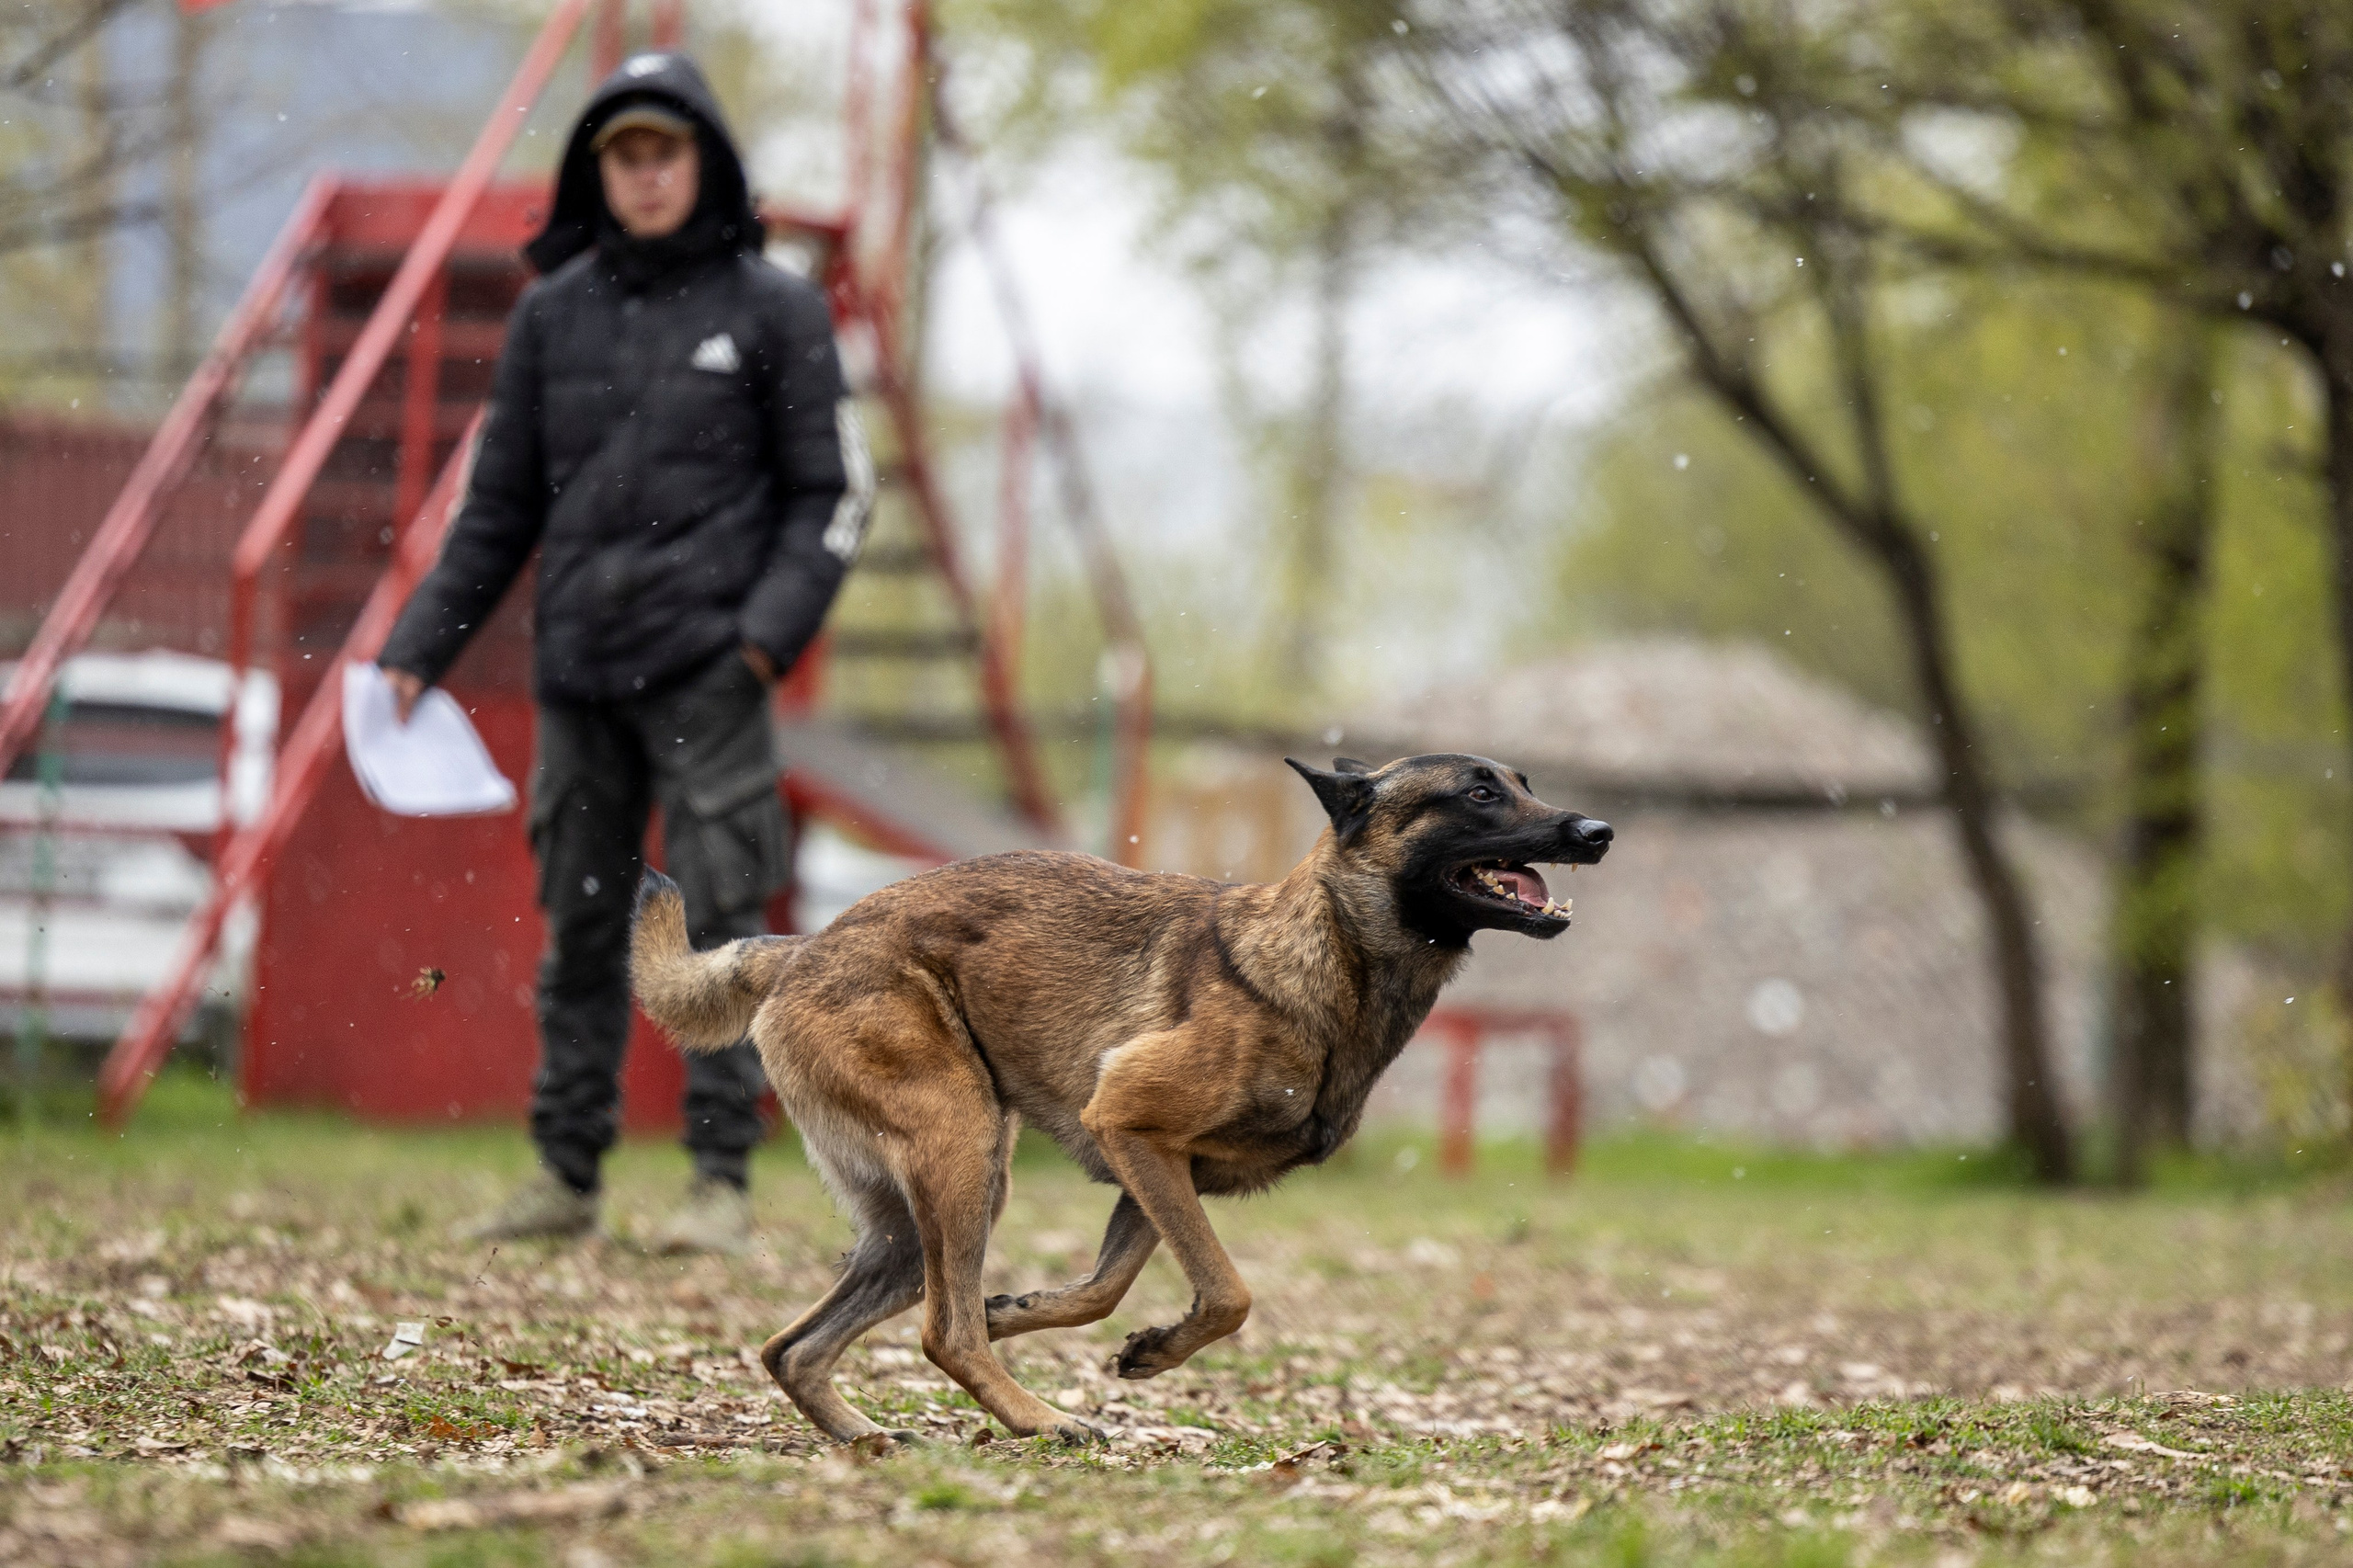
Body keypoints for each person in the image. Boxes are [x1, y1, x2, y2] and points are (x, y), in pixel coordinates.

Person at [378, 52, 872, 1254]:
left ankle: (718, 1189)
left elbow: (834, 499)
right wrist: (417, 646)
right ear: (598, 172)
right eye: (623, 155)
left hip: (714, 673)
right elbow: (497, 508)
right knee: (581, 925)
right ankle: (564, 1178)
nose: (645, 174)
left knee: (720, 935)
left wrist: (760, 643)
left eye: (665, 151)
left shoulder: (778, 309)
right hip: (580, 675)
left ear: (703, 162)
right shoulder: (553, 315)